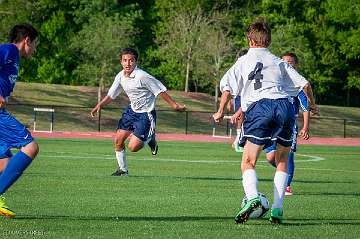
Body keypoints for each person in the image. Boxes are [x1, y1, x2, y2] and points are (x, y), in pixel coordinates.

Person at [215, 17, 318, 224]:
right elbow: (304, 85)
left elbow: (227, 87)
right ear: (268, 41)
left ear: (250, 40)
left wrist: (219, 111)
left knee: (248, 161)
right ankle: (277, 210)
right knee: (282, 160)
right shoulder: (278, 61)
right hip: (285, 108)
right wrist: (313, 105)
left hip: (259, 108)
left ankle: (253, 198)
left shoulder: (243, 61)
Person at [91, 48, 186, 176]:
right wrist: (99, 106)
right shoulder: (120, 76)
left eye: (131, 60)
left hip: (146, 114)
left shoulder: (142, 76)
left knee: (133, 147)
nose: (128, 63)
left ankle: (151, 139)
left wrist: (174, 105)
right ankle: (123, 170)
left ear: (136, 62)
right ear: (121, 62)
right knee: (118, 141)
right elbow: (111, 95)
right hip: (131, 111)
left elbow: (160, 90)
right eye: (125, 60)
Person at [0, 23, 39, 218]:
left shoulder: (13, 57)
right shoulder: (8, 50)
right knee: (30, 147)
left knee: (5, 164)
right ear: (27, 40)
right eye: (35, 44)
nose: (35, 49)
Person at [264, 52, 311, 196]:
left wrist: (305, 127)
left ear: (295, 65)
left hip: (289, 125)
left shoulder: (298, 85)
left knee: (287, 155)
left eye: (290, 62)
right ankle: (282, 171)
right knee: (271, 157)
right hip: (272, 124)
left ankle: (286, 185)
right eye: (284, 61)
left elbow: (305, 107)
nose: (287, 64)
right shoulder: (275, 81)